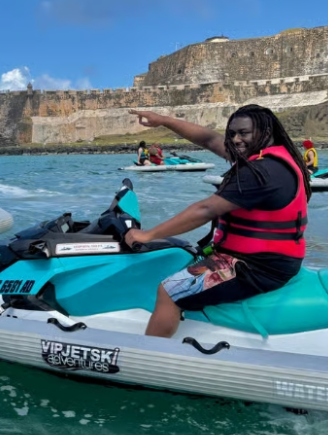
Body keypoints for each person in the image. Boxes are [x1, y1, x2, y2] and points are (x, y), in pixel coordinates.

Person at [125, 104, 312, 338]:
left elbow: (205, 210)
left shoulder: (262, 172)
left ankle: (151, 355)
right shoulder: (268, 158)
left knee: (168, 291)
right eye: (232, 133)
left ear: (266, 132)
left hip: (258, 266)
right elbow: (209, 138)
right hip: (270, 258)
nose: (235, 140)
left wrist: (148, 235)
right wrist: (164, 120)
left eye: (244, 133)